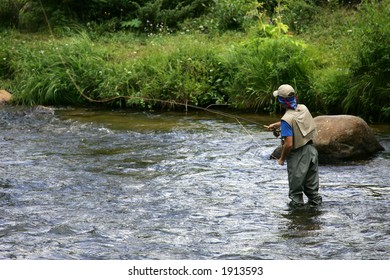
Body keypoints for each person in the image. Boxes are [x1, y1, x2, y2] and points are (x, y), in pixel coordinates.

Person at [266, 84, 322, 208]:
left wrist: (281, 159)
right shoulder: (303, 108)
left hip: (298, 157)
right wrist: (278, 125)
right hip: (312, 152)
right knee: (312, 191)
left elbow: (289, 144)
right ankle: (316, 217)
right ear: (295, 97)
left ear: (281, 101)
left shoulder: (286, 120)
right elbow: (295, 120)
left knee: (296, 195)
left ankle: (296, 222)